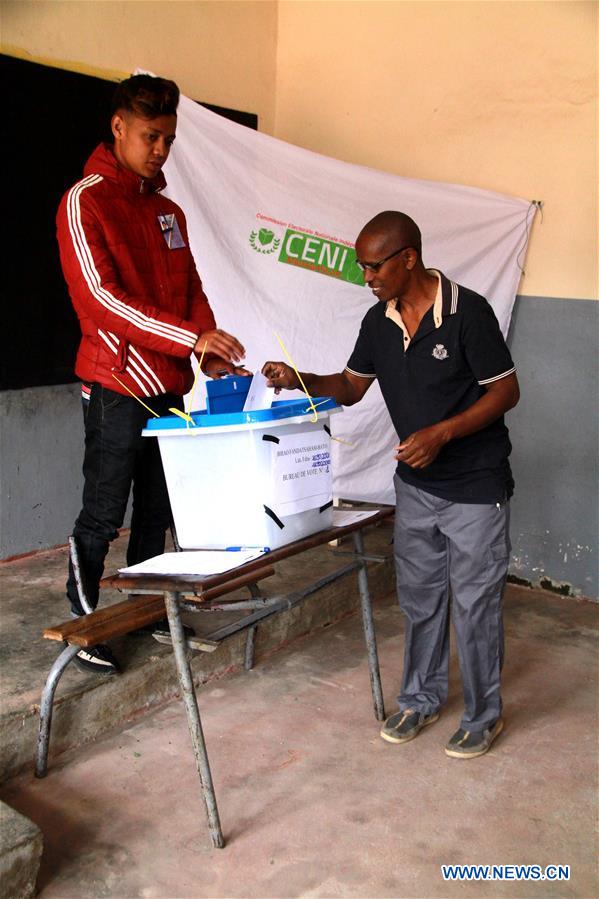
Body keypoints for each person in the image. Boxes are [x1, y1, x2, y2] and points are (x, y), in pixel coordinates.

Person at [262, 210, 520, 759]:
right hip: (417, 486)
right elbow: (352, 388)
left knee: (476, 604)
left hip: (475, 485)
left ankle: (482, 716)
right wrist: (300, 378)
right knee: (421, 599)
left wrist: (442, 433)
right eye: (362, 267)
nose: (367, 277)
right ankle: (421, 699)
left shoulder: (468, 312)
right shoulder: (379, 321)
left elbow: (505, 392)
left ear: (408, 259)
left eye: (375, 266)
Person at [57, 74, 248, 675]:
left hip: (169, 387)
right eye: (150, 136)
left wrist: (209, 352)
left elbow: (190, 287)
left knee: (160, 508)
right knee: (103, 510)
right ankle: (86, 623)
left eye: (168, 138)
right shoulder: (85, 201)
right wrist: (191, 337)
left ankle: (145, 611)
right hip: (116, 385)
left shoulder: (169, 211)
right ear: (118, 128)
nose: (161, 149)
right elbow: (101, 300)